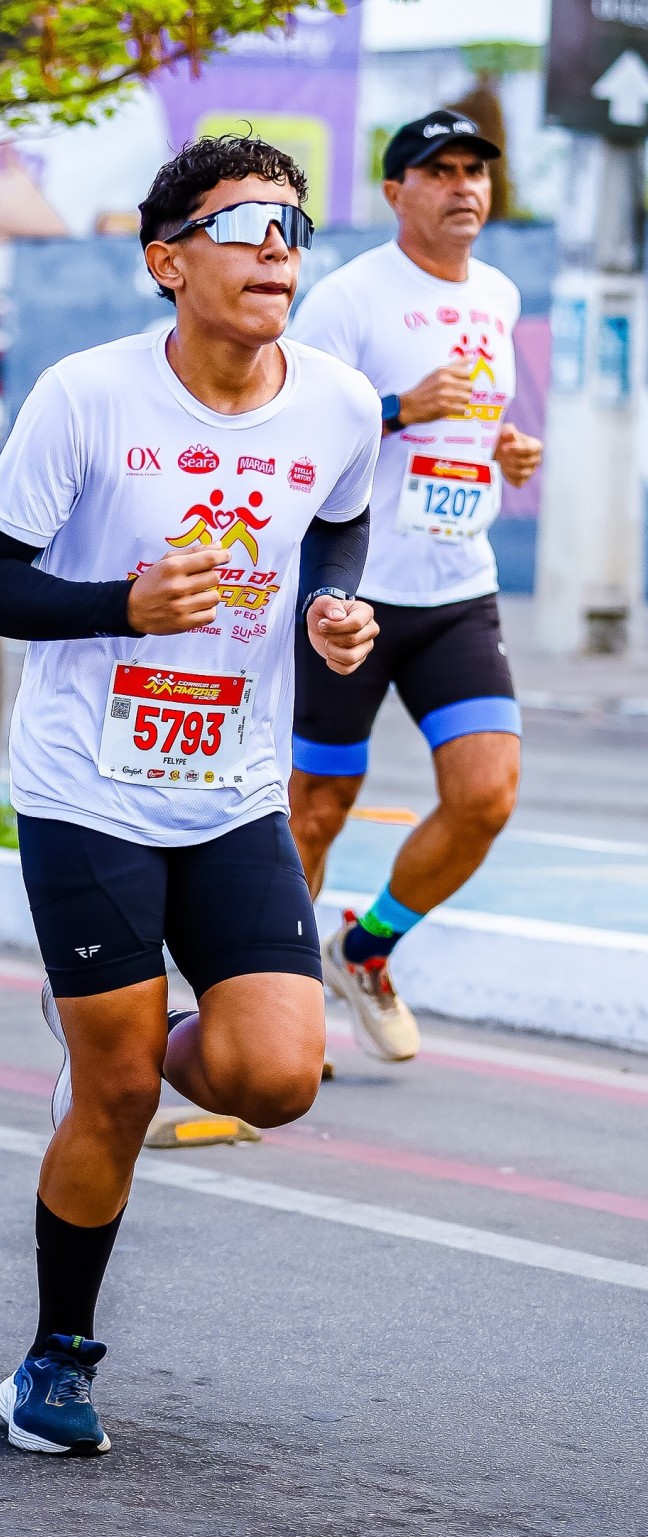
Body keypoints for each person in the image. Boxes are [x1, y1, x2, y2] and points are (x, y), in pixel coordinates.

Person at [0, 134, 382, 1455]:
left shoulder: (340, 403)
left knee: (275, 1075)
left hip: (233, 785)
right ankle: (53, 1362)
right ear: (167, 260)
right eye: (242, 224)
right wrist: (117, 607)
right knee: (122, 1092)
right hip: (89, 788)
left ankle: (124, 1031)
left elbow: (341, 517)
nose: (274, 248)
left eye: (292, 227)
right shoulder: (88, 397)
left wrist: (331, 604)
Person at [288, 111, 543, 1064]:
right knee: (317, 807)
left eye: (475, 169)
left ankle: (365, 949)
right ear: (397, 192)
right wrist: (398, 408)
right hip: (352, 596)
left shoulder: (500, 294)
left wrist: (504, 449)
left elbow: (469, 425)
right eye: (440, 171)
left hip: (457, 588)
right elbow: (295, 423)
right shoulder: (350, 298)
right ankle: (281, 1008)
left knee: (486, 795)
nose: (464, 185)